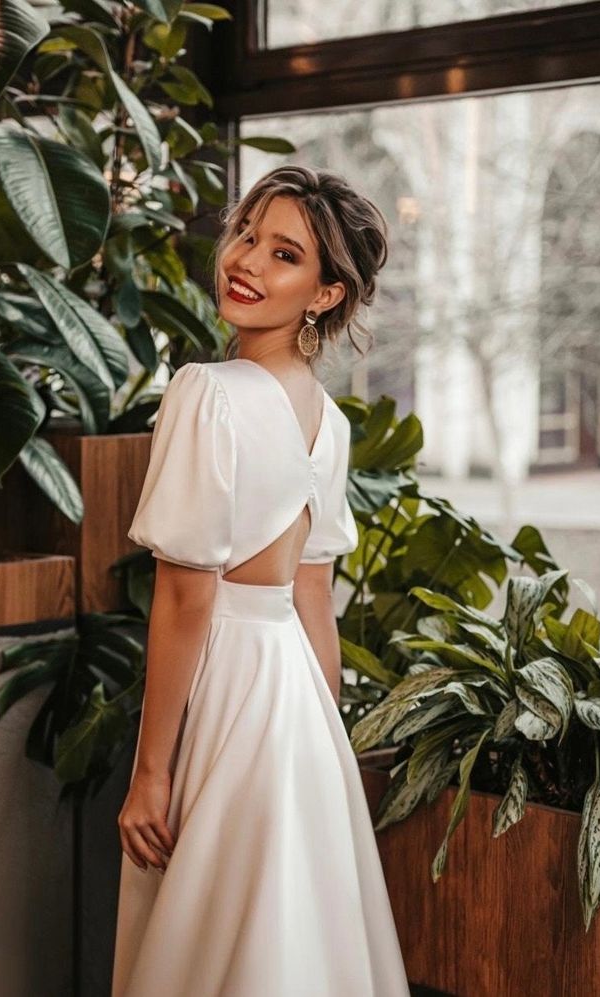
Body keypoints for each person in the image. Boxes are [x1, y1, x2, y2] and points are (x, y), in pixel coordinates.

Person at [110, 165, 411, 996]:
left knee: (208, 923)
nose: (246, 260)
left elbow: (186, 597)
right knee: (290, 931)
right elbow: (313, 596)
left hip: (227, 680)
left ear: (324, 293)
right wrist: (326, 746)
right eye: (247, 235)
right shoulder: (331, 418)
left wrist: (151, 773)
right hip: (296, 700)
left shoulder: (206, 391)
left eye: (285, 255)